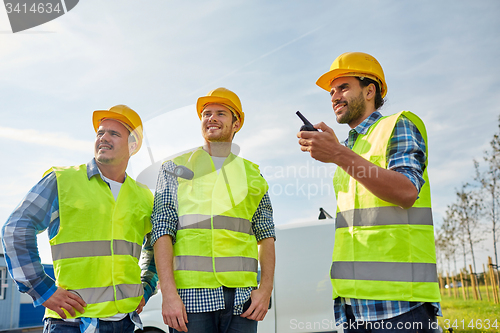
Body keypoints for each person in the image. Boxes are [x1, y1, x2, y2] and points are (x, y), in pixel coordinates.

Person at [297, 52, 441, 332]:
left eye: (343, 87)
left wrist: (338, 153)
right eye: (331, 91)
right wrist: (340, 152)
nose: (334, 96)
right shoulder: (350, 150)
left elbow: (407, 191)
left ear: (369, 90)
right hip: (353, 306)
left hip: (400, 305)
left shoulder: (397, 126)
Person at [1, 105, 158, 333]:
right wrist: (43, 289)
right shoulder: (62, 181)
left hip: (126, 323)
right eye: (100, 133)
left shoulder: (144, 196)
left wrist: (146, 286)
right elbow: (15, 229)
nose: (103, 138)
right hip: (71, 323)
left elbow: (156, 246)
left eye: (114, 134)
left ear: (132, 146)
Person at [151, 87, 275, 333]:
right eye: (206, 113)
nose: (212, 118)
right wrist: (168, 294)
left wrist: (265, 291)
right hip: (191, 298)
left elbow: (266, 235)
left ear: (236, 123)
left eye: (221, 113)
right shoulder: (174, 168)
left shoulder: (252, 174)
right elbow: (161, 230)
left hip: (243, 300)